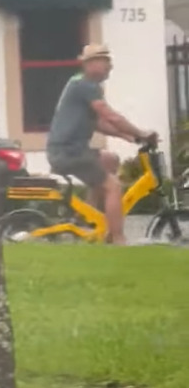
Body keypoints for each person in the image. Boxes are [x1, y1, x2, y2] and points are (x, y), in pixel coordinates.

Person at [46, 44, 156, 245]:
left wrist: (127, 137)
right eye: (106, 61)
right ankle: (117, 238)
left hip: (68, 150)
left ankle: (88, 218)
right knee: (113, 187)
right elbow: (109, 115)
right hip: (69, 152)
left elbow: (97, 122)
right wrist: (141, 133)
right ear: (91, 64)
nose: (110, 66)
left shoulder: (79, 83)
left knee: (110, 160)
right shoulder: (85, 85)